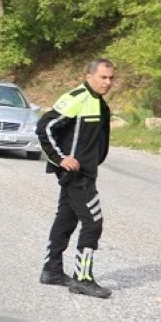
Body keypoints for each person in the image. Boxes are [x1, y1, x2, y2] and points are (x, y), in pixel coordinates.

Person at [36, 59, 114, 298]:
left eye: (111, 78)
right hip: (76, 175)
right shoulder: (77, 98)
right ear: (89, 76)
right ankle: (83, 278)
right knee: (93, 222)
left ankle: (52, 270)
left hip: (87, 172)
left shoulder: (98, 102)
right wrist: (60, 159)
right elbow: (45, 127)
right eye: (103, 77)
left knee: (66, 221)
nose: (107, 83)